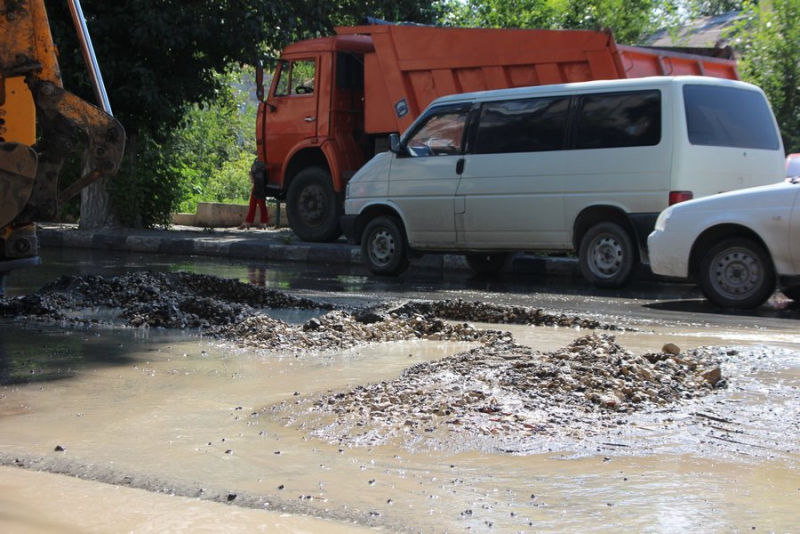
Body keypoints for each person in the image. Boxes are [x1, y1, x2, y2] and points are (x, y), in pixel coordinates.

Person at [239, 160, 269, 230]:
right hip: (260, 179)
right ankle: (253, 221)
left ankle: (251, 221)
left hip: (261, 180)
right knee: (254, 201)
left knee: (259, 201)